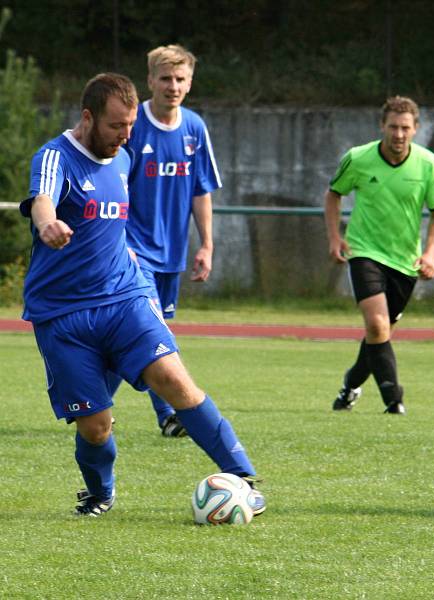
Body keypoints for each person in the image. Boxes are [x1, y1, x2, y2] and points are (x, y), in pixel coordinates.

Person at [20, 73, 265, 518]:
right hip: (63, 316)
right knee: (95, 428)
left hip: (124, 298)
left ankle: (244, 478)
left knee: (176, 381)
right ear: (88, 117)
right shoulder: (55, 157)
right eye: (116, 126)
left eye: (131, 125)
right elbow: (43, 197)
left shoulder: (124, 158)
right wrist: (47, 223)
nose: (126, 135)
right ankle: (100, 493)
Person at [324, 96, 434, 415]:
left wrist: (431, 254)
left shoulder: (428, 164)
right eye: (393, 127)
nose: (398, 134)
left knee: (378, 334)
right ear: (382, 126)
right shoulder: (358, 158)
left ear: (416, 129)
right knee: (378, 325)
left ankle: (350, 386)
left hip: (405, 261)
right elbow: (333, 195)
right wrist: (335, 237)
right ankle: (394, 400)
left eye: (405, 128)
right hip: (363, 251)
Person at [124, 44, 222, 437]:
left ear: (190, 82)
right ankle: (168, 413)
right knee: (153, 332)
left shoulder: (195, 128)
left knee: (150, 332)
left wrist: (206, 244)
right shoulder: (132, 125)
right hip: (133, 249)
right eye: (165, 78)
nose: (173, 86)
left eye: (180, 79)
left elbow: (201, 190)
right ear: (149, 81)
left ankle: (92, 400)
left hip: (172, 253)